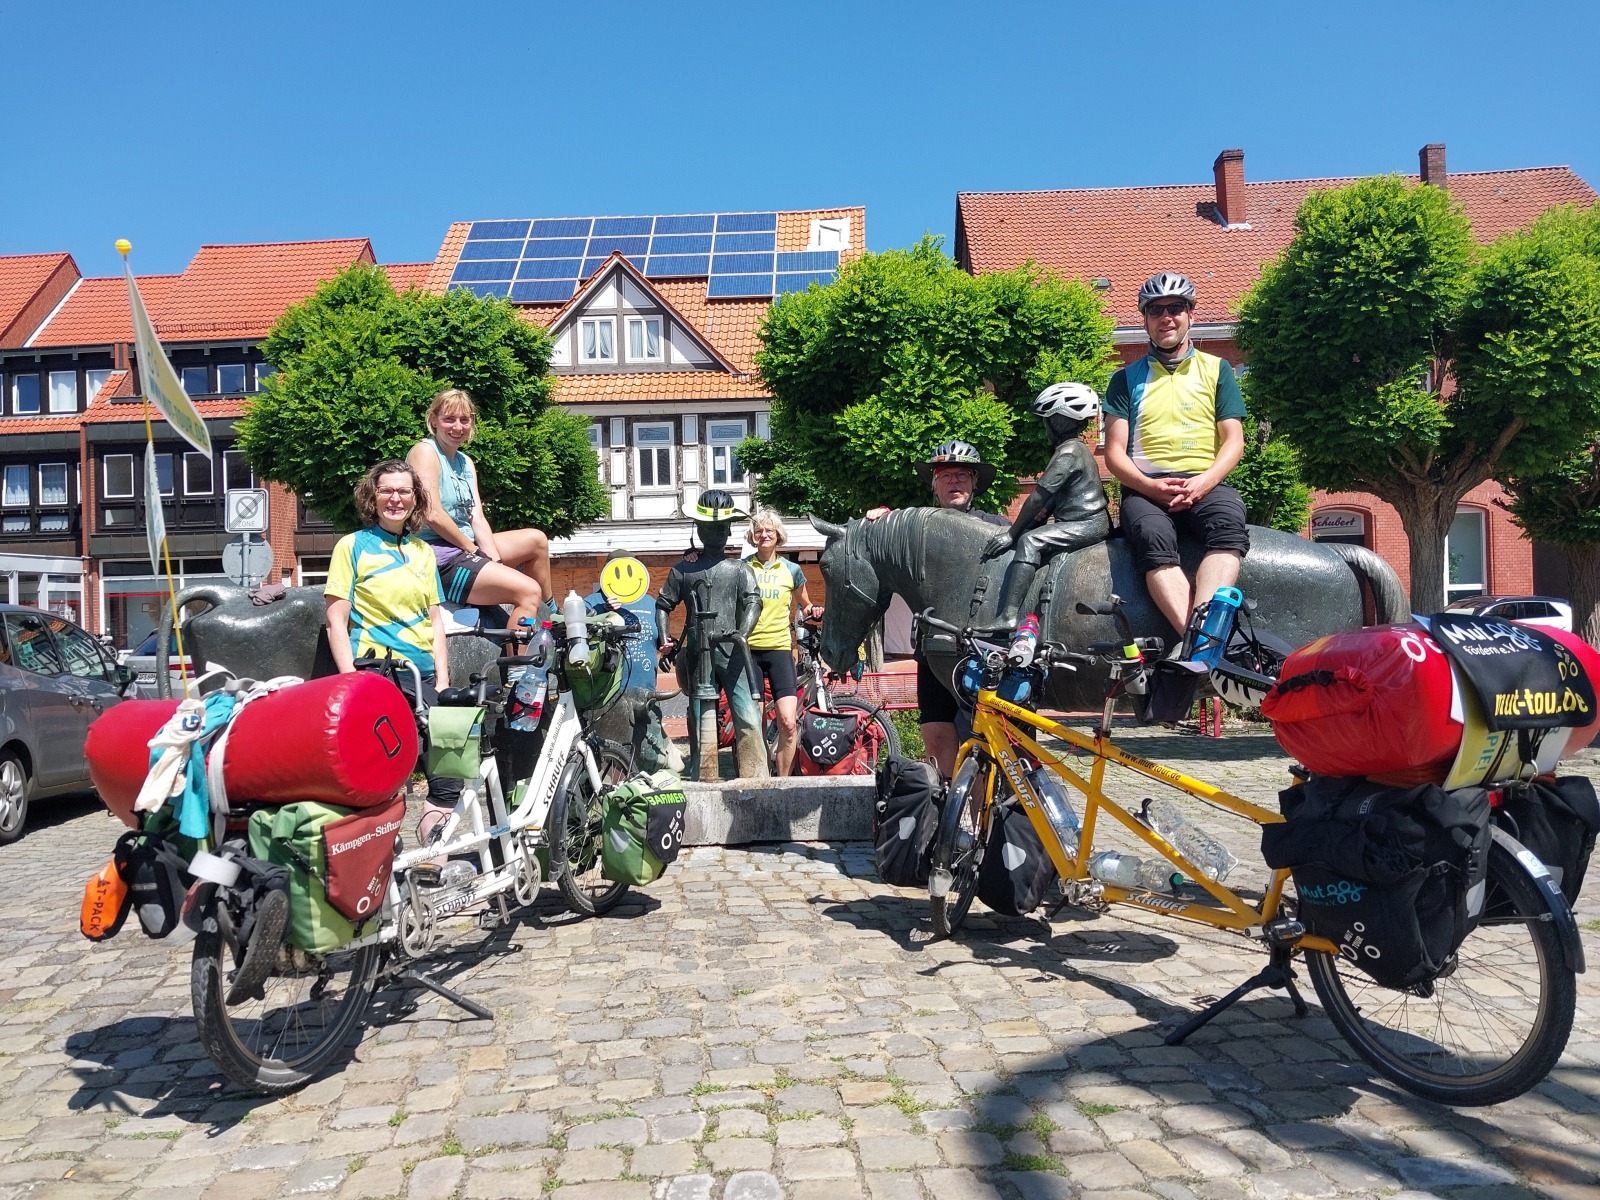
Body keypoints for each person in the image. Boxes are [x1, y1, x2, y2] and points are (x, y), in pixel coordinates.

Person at [1103, 272, 1249, 638]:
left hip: (1204, 483)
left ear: (1190, 315)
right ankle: (1198, 641)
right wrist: (1148, 488)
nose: (1166, 317)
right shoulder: (1124, 379)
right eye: (1156, 310)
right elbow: (1114, 452)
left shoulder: (1218, 370)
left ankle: (1204, 635)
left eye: (1176, 308)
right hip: (1146, 489)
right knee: (1150, 538)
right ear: (1145, 320)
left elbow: (1234, 440)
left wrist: (1205, 482)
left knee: (1230, 525)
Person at [323, 460, 458, 839]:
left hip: (424, 677)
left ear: (415, 499)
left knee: (450, 772)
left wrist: (443, 680)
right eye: (387, 490)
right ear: (373, 496)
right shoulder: (352, 546)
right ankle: (378, 850)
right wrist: (351, 681)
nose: (395, 498)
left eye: (403, 491)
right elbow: (336, 620)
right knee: (388, 773)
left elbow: (435, 620)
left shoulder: (423, 551)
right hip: (378, 674)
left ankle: (434, 855)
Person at [867, 440, 1007, 777]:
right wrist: (882, 521)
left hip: (983, 651)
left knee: (987, 743)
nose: (954, 481)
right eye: (945, 475)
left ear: (974, 482)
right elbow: (880, 546)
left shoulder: (997, 527)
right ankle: (945, 805)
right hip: (933, 649)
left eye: (962, 475)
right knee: (936, 737)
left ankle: (986, 805)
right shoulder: (917, 528)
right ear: (934, 483)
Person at [407, 388, 552, 632]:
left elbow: (477, 518)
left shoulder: (465, 462)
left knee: (536, 540)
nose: (458, 427)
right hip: (438, 554)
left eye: (464, 420)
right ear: (433, 420)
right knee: (528, 591)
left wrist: (494, 561)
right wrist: (473, 550)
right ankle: (518, 656)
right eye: (449, 419)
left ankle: (553, 612)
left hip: (465, 545)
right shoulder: (425, 452)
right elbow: (432, 514)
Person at [982, 383, 1112, 628]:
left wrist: (1012, 534)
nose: (1044, 427)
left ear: (1061, 421)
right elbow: (1053, 499)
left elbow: (1038, 498)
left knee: (1029, 541)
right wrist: (1032, 522)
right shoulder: (1075, 449)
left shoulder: (1068, 452)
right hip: (1088, 520)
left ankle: (1009, 616)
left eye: (1047, 420)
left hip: (1087, 524)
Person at [657, 490, 765, 780]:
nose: (716, 533)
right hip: (697, 652)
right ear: (699, 529)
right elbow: (663, 605)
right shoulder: (684, 570)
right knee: (698, 714)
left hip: (732, 652)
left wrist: (742, 634)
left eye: (721, 528)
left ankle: (755, 774)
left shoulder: (739, 569)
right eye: (709, 527)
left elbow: (754, 602)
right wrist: (665, 639)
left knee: (747, 714)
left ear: (729, 530)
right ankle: (701, 769)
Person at [742, 510, 822, 776]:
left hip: (780, 649)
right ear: (752, 536)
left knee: (788, 722)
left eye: (769, 531)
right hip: (748, 651)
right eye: (759, 531)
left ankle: (783, 785)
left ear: (778, 535)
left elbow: (805, 605)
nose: (764, 535)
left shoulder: (792, 570)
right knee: (755, 724)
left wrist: (814, 610)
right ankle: (760, 777)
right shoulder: (742, 568)